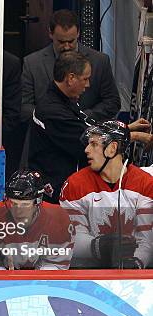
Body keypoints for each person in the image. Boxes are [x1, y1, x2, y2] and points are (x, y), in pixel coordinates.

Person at [60, 121, 152, 269]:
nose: (86, 150)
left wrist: (135, 264)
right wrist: (99, 245)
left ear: (112, 148)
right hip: (88, 274)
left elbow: (147, 241)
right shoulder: (74, 185)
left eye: (94, 144)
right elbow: (71, 240)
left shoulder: (146, 184)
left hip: (136, 276)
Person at [22, 9, 120, 123]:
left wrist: (82, 117)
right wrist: (53, 118)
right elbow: (24, 107)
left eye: (71, 41)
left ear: (78, 33)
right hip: (48, 134)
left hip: (87, 133)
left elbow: (112, 102)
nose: (67, 46)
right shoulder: (32, 63)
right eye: (61, 42)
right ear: (50, 33)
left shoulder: (100, 61)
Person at [0, 169, 73, 270]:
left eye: (25, 205)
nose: (18, 211)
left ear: (38, 202)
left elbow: (55, 267)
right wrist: (3, 275)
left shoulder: (58, 218)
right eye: (13, 203)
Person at [27, 51, 92, 203]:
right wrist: (129, 134)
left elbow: (88, 125)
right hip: (56, 191)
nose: (88, 85)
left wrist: (127, 128)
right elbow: (88, 138)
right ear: (70, 78)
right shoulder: (52, 110)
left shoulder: (66, 100)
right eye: (85, 79)